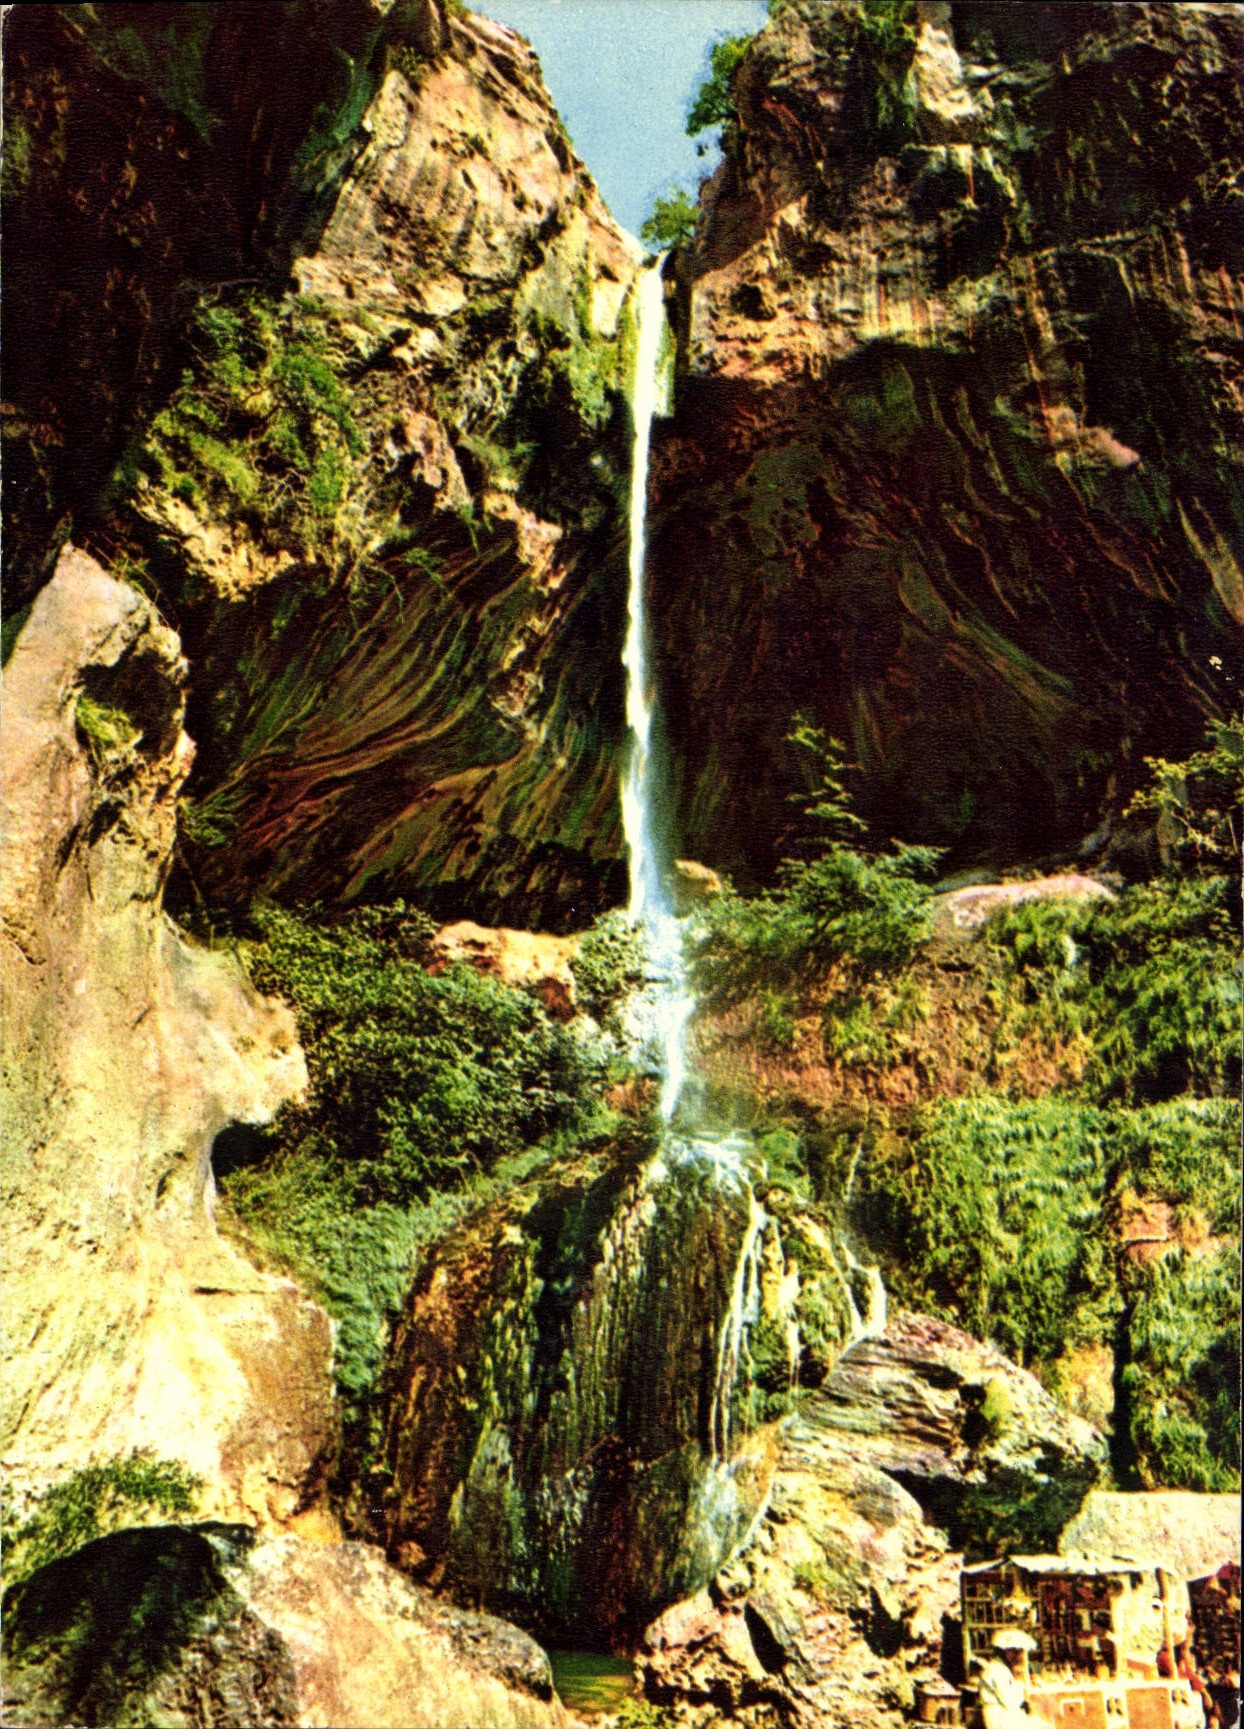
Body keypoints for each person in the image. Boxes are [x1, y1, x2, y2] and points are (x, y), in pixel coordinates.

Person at [979, 1629, 1035, 1729]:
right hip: (999, 1717)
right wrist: (1019, 1680)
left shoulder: (1004, 1668)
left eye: (1019, 1651)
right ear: (1003, 1652)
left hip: (1006, 1715)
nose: (1018, 1655)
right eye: (1014, 1651)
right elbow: (1010, 1702)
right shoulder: (996, 1670)